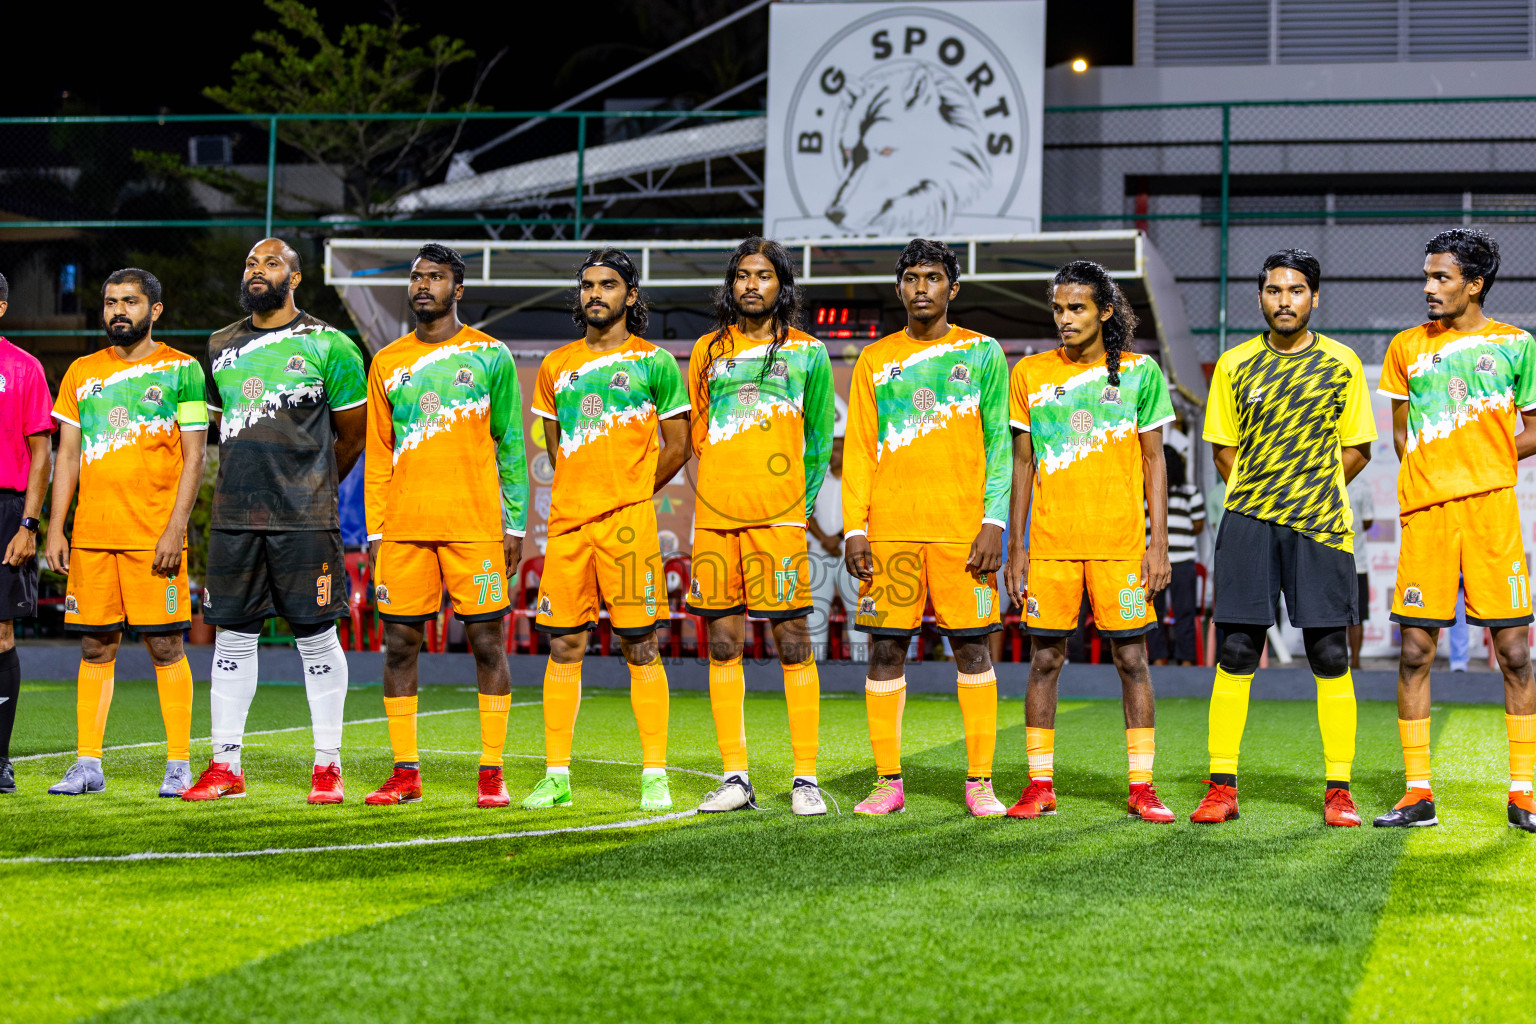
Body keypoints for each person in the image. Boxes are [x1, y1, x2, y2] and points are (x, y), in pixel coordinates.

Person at [1193, 248, 1376, 827]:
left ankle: (1338, 790)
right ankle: (1222, 786)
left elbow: (1358, 449)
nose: (1285, 300)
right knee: (1238, 649)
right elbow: (1223, 449)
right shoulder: (1234, 364)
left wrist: (1307, 489)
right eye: (1274, 291)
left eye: (1296, 290)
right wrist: (1267, 493)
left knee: (1329, 651)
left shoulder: (1343, 363)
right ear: (1261, 298)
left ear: (1314, 297)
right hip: (1248, 520)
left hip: (1320, 523)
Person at [182, 238, 367, 803]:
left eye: (270, 263)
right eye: (250, 263)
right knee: (232, 636)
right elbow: (217, 433)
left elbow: (352, 437)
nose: (256, 270)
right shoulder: (219, 346)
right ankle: (225, 768)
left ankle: (327, 767)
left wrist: (309, 487)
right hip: (236, 517)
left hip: (305, 518)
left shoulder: (329, 345)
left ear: (295, 277)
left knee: (316, 635)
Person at [1372, 229, 1536, 832]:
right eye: (1427, 276)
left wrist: (1486, 463)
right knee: (1415, 651)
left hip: (1493, 512)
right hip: (1428, 516)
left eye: (1441, 278)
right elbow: (1399, 431)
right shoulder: (1406, 346)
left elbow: (1535, 427)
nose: (1428, 288)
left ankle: (1523, 795)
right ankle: (1418, 793)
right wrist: (1436, 471)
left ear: (1474, 284)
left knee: (1516, 654)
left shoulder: (1517, 345)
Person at [1003, 260, 1176, 823]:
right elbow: (1022, 465)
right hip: (1051, 545)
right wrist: (1017, 547)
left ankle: (1142, 786)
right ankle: (1039, 784)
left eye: (1076, 308)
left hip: (1121, 544)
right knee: (1044, 660)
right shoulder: (1029, 372)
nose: (1065, 319)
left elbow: (1155, 463)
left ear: (1104, 311)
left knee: (1132, 659)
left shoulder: (1140, 372)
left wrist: (1158, 545)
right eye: (1058, 309)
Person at [843, 238, 1010, 817]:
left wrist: (994, 520)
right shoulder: (873, 360)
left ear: (952, 288)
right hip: (890, 531)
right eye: (911, 277)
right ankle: (888, 782)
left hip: (963, 530)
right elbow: (860, 451)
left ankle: (980, 782)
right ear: (899, 289)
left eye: (933, 277)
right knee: (886, 649)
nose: (921, 287)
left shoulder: (984, 353)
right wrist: (853, 529)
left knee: (972, 650)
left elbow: (1000, 443)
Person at [521, 248, 689, 812]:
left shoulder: (655, 362)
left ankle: (654, 775)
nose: (596, 294)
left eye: (609, 285)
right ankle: (556, 775)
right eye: (588, 285)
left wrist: (633, 492)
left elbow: (680, 445)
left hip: (628, 526)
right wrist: (577, 487)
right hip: (569, 526)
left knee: (640, 645)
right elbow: (552, 441)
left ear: (630, 296)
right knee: (564, 644)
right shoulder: (555, 366)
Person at [362, 245, 527, 809]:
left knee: (486, 642)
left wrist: (516, 524)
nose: (423, 285)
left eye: (436, 277)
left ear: (458, 289)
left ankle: (491, 772)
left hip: (475, 527)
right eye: (416, 277)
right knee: (400, 646)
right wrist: (376, 531)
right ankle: (405, 773)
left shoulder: (490, 355)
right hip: (405, 530)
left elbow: (510, 443)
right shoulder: (386, 362)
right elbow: (378, 452)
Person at [684, 238, 834, 816]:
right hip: (717, 517)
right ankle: (735, 777)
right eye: (743, 275)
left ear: (781, 285)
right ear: (732, 284)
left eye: (763, 275)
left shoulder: (808, 353)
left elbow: (819, 441)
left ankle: (805, 779)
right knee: (723, 644)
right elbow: (698, 434)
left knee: (793, 643)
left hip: (779, 520)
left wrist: (796, 502)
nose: (752, 284)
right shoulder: (705, 351)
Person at [44, 268, 207, 798]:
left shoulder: (182, 371)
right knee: (94, 646)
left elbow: (194, 456)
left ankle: (179, 764)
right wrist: (55, 527)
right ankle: (88, 765)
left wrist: (175, 528)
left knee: (165, 645)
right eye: (111, 300)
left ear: (154, 310)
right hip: (92, 536)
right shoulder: (79, 373)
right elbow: (66, 456)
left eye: (130, 302)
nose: (118, 310)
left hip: (153, 536)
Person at [0, 271, 56, 794]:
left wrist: (28, 524)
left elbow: (43, 452)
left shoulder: (24, 368)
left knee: (0, 635)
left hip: (5, 509)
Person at [805, 403, 863, 662]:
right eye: (833, 448)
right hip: (819, 551)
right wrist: (823, 538)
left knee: (858, 612)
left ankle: (861, 667)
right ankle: (816, 668)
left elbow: (864, 510)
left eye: (839, 448)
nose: (835, 453)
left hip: (849, 551)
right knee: (816, 613)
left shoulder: (856, 478)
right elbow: (807, 510)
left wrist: (838, 538)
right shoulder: (819, 477)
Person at [1146, 445, 1205, 666]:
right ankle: (1186, 660)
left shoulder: (1146, 491)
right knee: (1185, 614)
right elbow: (1198, 525)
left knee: (1154, 614)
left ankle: (1159, 658)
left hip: (1154, 563)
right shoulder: (1191, 492)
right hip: (1182, 562)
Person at [1346, 476, 1375, 670]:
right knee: (1354, 616)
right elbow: (1367, 521)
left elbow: (1367, 521)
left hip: (1356, 562)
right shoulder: (1360, 485)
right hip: (1352, 561)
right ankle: (1351, 661)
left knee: (1356, 616)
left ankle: (1354, 661)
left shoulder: (1361, 484)